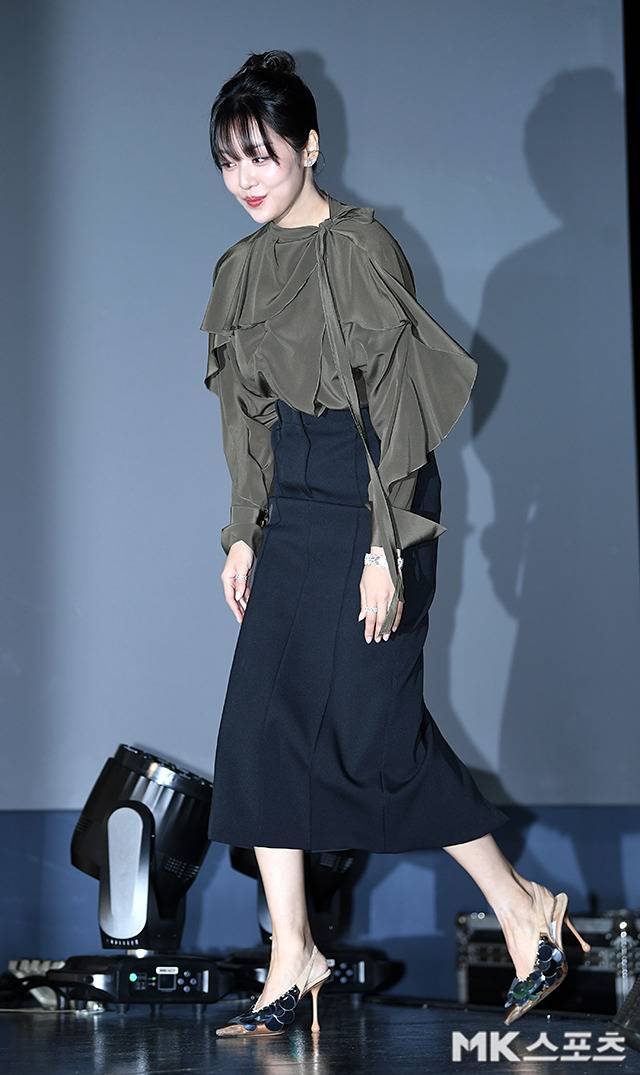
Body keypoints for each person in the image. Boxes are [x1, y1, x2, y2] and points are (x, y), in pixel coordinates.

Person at [199, 50, 590, 1037]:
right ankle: (293, 954)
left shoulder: (362, 247)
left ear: (309, 147)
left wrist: (387, 547)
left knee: (376, 737)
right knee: (257, 733)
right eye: (229, 160)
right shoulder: (239, 270)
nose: (245, 178)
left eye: (261, 154)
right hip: (292, 510)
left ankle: (522, 905)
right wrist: (242, 533)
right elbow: (246, 419)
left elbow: (399, 414)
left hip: (375, 498)